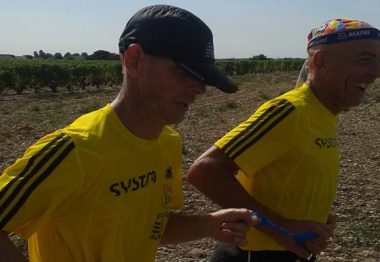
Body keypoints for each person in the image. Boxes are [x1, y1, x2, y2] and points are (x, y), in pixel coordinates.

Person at [0, 5, 259, 262]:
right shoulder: (77, 150)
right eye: (183, 72)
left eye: (202, 77)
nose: (199, 89)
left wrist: (209, 225)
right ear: (135, 61)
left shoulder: (167, 143)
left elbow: (149, 229)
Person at [187, 18, 380, 261]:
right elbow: (204, 170)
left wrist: (315, 217)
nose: (376, 73)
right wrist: (282, 228)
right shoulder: (290, 111)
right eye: (365, 60)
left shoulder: (321, 114)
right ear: (322, 61)